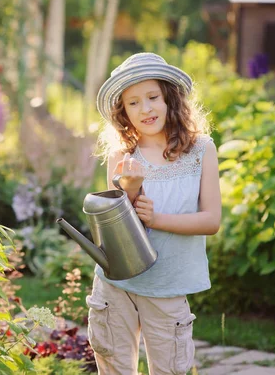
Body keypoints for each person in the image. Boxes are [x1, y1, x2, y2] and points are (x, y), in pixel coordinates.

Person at [87, 52, 222, 375]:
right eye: (133, 103)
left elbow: (211, 221)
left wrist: (158, 219)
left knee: (170, 369)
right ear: (123, 112)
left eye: (152, 97)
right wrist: (130, 189)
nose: (145, 109)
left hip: (167, 286)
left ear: (169, 98)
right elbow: (118, 231)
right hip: (116, 284)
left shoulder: (201, 149)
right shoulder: (123, 156)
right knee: (116, 367)